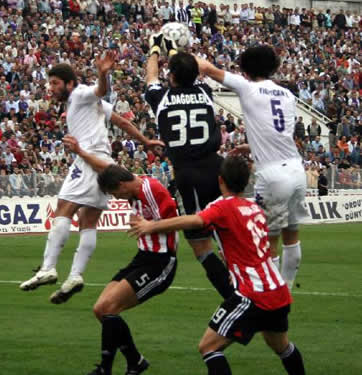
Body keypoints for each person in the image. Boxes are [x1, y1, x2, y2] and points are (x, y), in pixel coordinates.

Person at [129, 156, 305, 375]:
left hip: (254, 294)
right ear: (247, 181)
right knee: (282, 347)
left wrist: (151, 226)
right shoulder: (254, 208)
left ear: (220, 180)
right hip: (277, 290)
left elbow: (195, 221)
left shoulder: (222, 207)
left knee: (209, 347)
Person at [20, 56, 164, 304]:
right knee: (88, 220)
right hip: (103, 162)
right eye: (50, 84)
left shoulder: (81, 94)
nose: (51, 89)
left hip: (88, 160)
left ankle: (48, 268)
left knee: (63, 209)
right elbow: (122, 121)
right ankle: (75, 275)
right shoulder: (89, 104)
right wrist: (145, 141)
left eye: (55, 83)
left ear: (69, 83)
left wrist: (102, 74)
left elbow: (101, 90)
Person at [63, 135, 178, 375]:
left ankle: (106, 368)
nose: (116, 199)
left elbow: (174, 222)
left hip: (161, 263)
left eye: (115, 194)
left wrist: (148, 226)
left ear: (122, 185)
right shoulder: (129, 185)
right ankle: (135, 361)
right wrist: (80, 152)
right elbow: (107, 167)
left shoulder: (152, 190)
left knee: (109, 308)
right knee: (100, 310)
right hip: (143, 258)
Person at [196, 46, 308, 290]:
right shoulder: (287, 95)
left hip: (272, 175)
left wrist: (176, 50)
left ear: (245, 69)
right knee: (292, 234)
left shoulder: (247, 87)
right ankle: (286, 288)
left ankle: (272, 292)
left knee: (268, 240)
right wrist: (252, 146)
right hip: (297, 169)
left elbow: (206, 68)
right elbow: (278, 131)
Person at [144, 34, 233, 299]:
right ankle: (248, 285)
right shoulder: (205, 93)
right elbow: (186, 70)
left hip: (187, 174)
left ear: (170, 76)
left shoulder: (160, 97)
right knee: (227, 233)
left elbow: (151, 77)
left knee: (200, 244)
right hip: (218, 169)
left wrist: (154, 50)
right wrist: (174, 51)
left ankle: (231, 296)